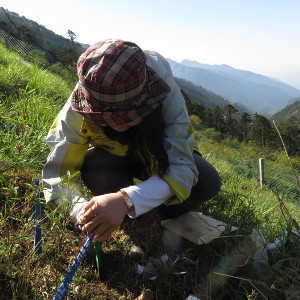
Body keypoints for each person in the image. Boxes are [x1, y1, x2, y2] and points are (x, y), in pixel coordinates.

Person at [42, 39, 221, 242]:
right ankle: (128, 216)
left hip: (155, 154)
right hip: (113, 159)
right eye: (107, 118)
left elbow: (183, 166)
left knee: (207, 179)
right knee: (95, 162)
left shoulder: (164, 88)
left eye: (128, 116)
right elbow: (57, 174)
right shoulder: (76, 110)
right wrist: (81, 211)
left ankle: (153, 213)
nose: (118, 125)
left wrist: (126, 200)